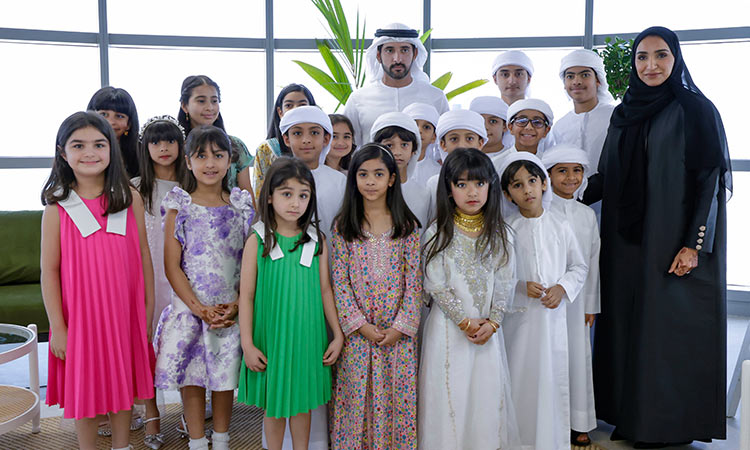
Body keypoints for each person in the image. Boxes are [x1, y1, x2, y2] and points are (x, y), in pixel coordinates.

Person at [584, 26, 732, 447]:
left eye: (661, 56)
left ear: (676, 59)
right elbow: (608, 175)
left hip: (672, 241)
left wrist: (695, 244)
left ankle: (666, 424)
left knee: (666, 331)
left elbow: (709, 181)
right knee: (627, 326)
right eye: (642, 57)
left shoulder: (695, 109)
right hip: (626, 240)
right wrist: (561, 196)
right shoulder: (624, 111)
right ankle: (625, 414)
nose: (651, 66)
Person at [40, 111, 155, 450]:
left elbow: (143, 256)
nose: (89, 153)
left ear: (112, 150)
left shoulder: (128, 199)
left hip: (123, 315)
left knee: (123, 389)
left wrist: (146, 310)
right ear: (63, 153)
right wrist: (57, 327)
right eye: (78, 145)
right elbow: (49, 271)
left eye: (98, 145)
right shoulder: (58, 207)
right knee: (86, 392)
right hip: (81, 320)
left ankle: (122, 445)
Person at [154, 126, 255, 450]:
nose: (210, 163)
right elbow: (172, 266)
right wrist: (198, 308)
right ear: (188, 161)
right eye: (201, 156)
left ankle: (222, 438)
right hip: (190, 309)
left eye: (218, 155)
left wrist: (238, 303)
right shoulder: (179, 207)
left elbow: (250, 262)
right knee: (192, 376)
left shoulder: (241, 206)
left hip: (229, 308)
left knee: (224, 378)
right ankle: (197, 440)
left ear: (230, 161)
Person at [237, 157, 344, 450]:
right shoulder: (258, 240)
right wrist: (247, 343)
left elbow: (325, 290)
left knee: (302, 406)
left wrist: (337, 333)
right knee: (275, 406)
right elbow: (246, 296)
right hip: (271, 339)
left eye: (303, 195)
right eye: (287, 194)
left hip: (307, 340)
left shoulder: (316, 240)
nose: (295, 202)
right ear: (269, 196)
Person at [418, 148, 520, 450]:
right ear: (448, 189)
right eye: (462, 184)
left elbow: (505, 282)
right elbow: (435, 284)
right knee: (450, 395)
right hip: (449, 331)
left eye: (479, 183)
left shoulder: (501, 234)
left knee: (484, 397)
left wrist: (494, 322)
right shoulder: (438, 233)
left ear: (491, 186)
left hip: (487, 332)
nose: (472, 192)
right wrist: (464, 321)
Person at [329, 144, 422, 450]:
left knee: (398, 400)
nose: (370, 181)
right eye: (363, 174)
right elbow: (338, 282)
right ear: (353, 179)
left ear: (392, 179)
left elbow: (414, 283)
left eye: (378, 174)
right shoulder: (343, 227)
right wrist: (359, 325)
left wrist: (401, 326)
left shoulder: (408, 227)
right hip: (357, 336)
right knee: (356, 400)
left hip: (398, 336)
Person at [498, 152, 587, 450]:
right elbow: (497, 278)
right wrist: (520, 286)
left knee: (551, 379)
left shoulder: (560, 225)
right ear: (508, 195)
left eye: (532, 181)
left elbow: (578, 266)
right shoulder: (506, 231)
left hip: (551, 321)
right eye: (518, 185)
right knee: (519, 379)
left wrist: (562, 288)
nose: (527, 190)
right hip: (518, 323)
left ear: (544, 184)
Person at [131, 115, 189, 449]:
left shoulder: (190, 188)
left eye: (169, 141)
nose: (163, 148)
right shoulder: (135, 187)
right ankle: (151, 415)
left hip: (181, 277)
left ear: (181, 146)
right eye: (155, 142)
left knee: (182, 345)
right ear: (145, 147)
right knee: (145, 347)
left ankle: (188, 411)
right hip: (145, 277)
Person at [542, 145, 600, 447]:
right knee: (546, 358)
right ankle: (548, 419)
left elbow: (591, 263)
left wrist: (591, 304)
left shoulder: (586, 214)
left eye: (577, 170)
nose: (570, 177)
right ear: (548, 176)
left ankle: (578, 421)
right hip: (543, 299)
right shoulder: (539, 211)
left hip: (576, 302)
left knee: (577, 357)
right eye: (562, 170)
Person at [344, 23, 449, 146]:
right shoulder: (358, 98)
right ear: (378, 55)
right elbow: (349, 147)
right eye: (390, 50)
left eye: (404, 50)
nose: (397, 59)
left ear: (415, 54)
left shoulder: (436, 96)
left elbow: (445, 146)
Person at [177, 75, 253, 192]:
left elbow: (247, 192)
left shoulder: (236, 145)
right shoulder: (175, 146)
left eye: (214, 101)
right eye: (201, 101)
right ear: (184, 106)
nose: (210, 107)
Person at [279, 105, 346, 238]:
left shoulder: (340, 181)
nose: (306, 140)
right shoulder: (278, 179)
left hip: (332, 255)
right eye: (297, 133)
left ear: (326, 139)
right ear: (286, 139)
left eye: (314, 133)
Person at [254, 84, 317, 198]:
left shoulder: (318, 144)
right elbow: (260, 193)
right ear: (280, 112)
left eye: (302, 105)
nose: (295, 109)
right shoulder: (266, 149)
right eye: (289, 105)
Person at [371, 111, 429, 232]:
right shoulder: (369, 190)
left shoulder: (423, 194)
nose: (397, 152)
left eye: (404, 145)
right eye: (389, 145)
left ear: (414, 150)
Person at [87, 86, 141, 178]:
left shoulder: (141, 153)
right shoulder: (77, 149)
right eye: (103, 114)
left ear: (129, 124)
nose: (110, 122)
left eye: (119, 116)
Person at [490, 50, 534, 150]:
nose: (512, 81)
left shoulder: (538, 116)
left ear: (528, 79)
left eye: (518, 74)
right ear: (495, 79)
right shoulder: (487, 116)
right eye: (505, 75)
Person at [402, 102, 441, 185]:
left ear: (434, 137)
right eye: (414, 124)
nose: (419, 130)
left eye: (426, 127)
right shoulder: (395, 167)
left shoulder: (438, 171)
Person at [469, 95, 509, 164]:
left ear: (505, 126)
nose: (485, 127)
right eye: (480, 121)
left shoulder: (513, 158)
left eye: (493, 121)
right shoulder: (465, 159)